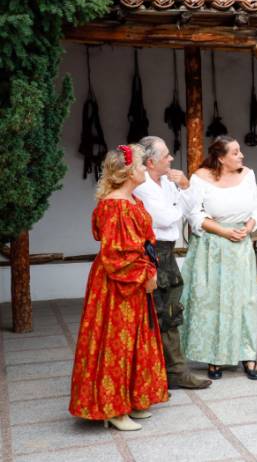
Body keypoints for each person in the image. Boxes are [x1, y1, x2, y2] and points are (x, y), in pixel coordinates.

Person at [69, 145, 168, 432]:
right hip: (118, 284)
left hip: (132, 280)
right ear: (128, 172)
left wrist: (149, 270)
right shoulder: (115, 206)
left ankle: (132, 399)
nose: (144, 168)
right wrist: (145, 274)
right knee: (117, 342)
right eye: (140, 165)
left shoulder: (131, 200)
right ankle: (113, 408)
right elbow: (117, 255)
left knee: (134, 338)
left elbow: (139, 243)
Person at [179, 136, 257, 380]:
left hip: (240, 244)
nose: (241, 155)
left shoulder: (248, 175)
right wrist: (223, 231)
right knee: (212, 301)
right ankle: (214, 356)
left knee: (245, 300)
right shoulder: (200, 177)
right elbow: (194, 214)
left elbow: (256, 207)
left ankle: (248, 355)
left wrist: (249, 227)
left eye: (240, 151)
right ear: (221, 157)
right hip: (212, 246)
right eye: (235, 152)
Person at [134, 136, 211, 390]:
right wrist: (180, 203)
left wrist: (186, 186)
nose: (171, 158)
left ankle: (174, 371)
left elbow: (190, 209)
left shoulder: (167, 182)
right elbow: (165, 218)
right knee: (158, 312)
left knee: (170, 310)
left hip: (166, 251)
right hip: (152, 252)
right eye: (166, 155)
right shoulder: (142, 186)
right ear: (150, 162)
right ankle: (163, 372)